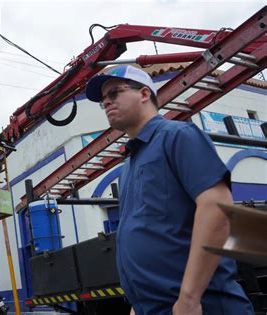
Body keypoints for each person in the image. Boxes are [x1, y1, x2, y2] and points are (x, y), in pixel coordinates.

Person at [85, 65, 254, 314]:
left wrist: (190, 297)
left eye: (114, 93)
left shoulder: (177, 136)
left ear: (144, 94)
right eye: (103, 100)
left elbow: (217, 208)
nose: (107, 103)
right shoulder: (129, 165)